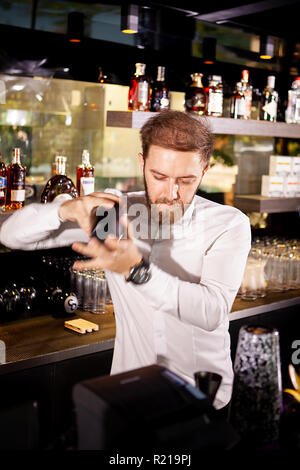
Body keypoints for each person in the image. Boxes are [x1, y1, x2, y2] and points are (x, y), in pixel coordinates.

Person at [0, 111, 251, 411]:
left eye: (186, 180)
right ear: (142, 162)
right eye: (159, 177)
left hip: (200, 398)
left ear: (205, 171)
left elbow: (211, 311)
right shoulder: (115, 214)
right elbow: (11, 236)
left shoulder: (227, 224)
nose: (171, 194)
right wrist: (64, 209)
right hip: (129, 397)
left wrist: (137, 271)